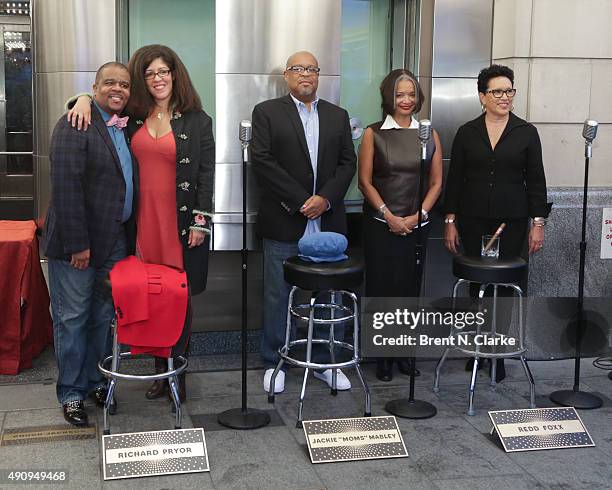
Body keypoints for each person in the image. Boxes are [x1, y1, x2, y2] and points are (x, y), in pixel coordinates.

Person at [67, 45, 215, 403]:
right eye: (149, 74)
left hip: (179, 225)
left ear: (175, 74)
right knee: (148, 294)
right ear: (141, 80)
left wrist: (201, 222)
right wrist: (82, 99)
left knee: (178, 297)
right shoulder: (132, 116)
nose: (157, 79)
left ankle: (176, 370)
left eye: (163, 71)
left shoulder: (197, 119)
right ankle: (157, 370)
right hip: (140, 223)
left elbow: (206, 176)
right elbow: (101, 104)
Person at [251, 51, 356, 394]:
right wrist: (300, 202)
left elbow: (346, 164)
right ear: (286, 75)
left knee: (330, 293)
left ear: (319, 74)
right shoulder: (267, 112)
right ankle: (276, 361)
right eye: (298, 69)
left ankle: (327, 361)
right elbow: (262, 161)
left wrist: (324, 199)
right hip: (285, 218)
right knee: (278, 293)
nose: (306, 74)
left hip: (328, 221)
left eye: (312, 68)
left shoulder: (337, 116)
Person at [443, 64, 550, 381]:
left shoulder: (526, 132)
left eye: (509, 90)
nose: (505, 97)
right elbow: (455, 180)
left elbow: (537, 181)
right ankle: (478, 344)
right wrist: (450, 219)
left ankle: (498, 352)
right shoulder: (467, 132)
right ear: (482, 96)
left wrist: (538, 222)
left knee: (505, 285)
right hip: (473, 219)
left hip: (512, 221)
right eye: (497, 91)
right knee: (478, 283)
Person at [43, 62, 135, 426]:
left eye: (124, 84)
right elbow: (65, 188)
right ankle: (71, 393)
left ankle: (96, 381)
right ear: (94, 87)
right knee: (72, 318)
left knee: (102, 316)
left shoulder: (123, 125)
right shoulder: (75, 122)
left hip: (114, 242)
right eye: (109, 83)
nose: (118, 89)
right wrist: (79, 245)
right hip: (78, 245)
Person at [358, 69, 443, 382]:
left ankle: (405, 353)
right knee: (382, 289)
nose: (406, 100)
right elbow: (364, 182)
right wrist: (389, 215)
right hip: (381, 225)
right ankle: (381, 356)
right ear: (388, 97)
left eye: (411, 94)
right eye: (399, 94)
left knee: (409, 290)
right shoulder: (373, 133)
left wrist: (417, 216)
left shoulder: (428, 133)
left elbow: (436, 182)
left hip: (416, 226)